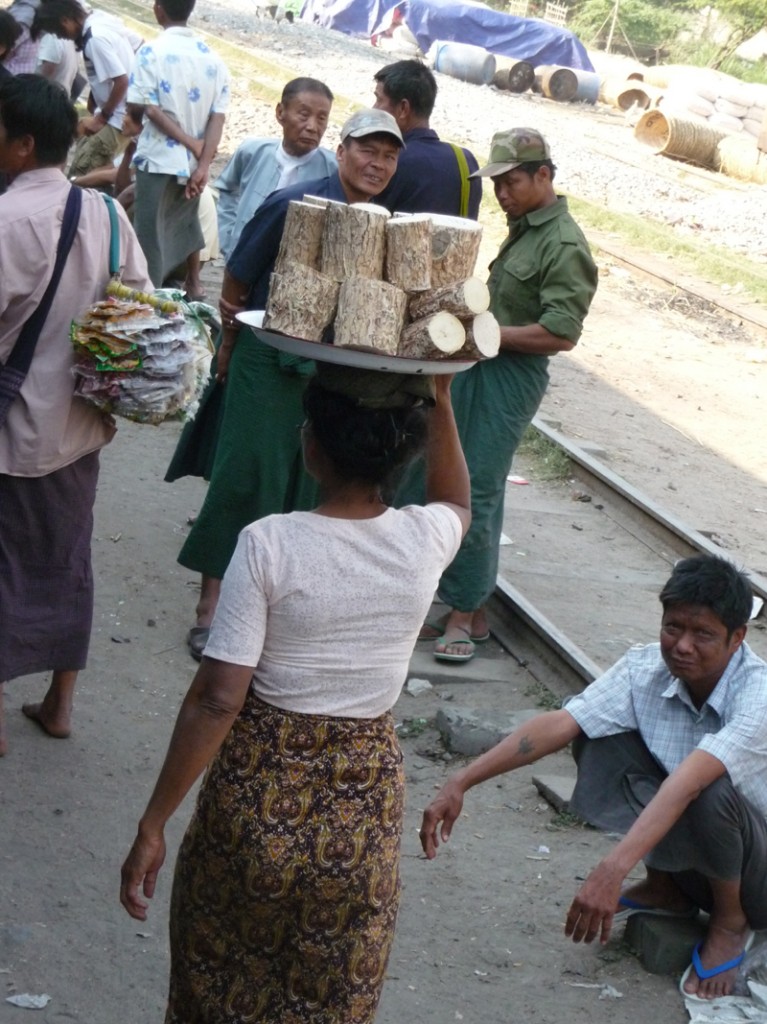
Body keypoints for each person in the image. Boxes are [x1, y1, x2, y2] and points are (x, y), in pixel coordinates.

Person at [120, 366, 471, 1023]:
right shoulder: (423, 540)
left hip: (257, 793)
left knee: (217, 976)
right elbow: (457, 502)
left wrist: (153, 822)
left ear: (311, 446)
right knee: (331, 992)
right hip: (363, 803)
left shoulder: (269, 544)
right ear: (404, 453)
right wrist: (442, 397)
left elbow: (218, 699)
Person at [420, 555, 767, 1002]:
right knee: (596, 737)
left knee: (707, 787)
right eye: (673, 627)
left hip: (758, 873)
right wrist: (461, 781)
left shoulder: (757, 695)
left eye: (703, 635)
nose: (682, 646)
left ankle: (728, 921)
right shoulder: (644, 668)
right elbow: (561, 724)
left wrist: (611, 869)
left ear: (737, 638)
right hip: (706, 849)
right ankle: (667, 888)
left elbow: (690, 783)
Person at [177, 108, 404, 661]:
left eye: (390, 155)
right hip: (267, 357)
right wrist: (229, 346)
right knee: (246, 477)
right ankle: (211, 608)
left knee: (307, 488)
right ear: (342, 150)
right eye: (368, 151)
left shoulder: (383, 222)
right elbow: (237, 275)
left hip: (330, 370)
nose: (378, 164)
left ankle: (273, 614)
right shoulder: (292, 203)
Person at [399, 127, 598, 662]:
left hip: (510, 376)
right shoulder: (525, 228)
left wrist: (486, 335)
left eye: (512, 182)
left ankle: (466, 614)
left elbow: (561, 332)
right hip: (480, 366)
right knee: (437, 473)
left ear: (544, 175)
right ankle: (460, 604)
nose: (502, 193)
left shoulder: (563, 243)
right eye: (497, 184)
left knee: (478, 487)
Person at [0, 74, 150, 756]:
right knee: (67, 560)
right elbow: (143, 308)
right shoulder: (105, 215)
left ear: (23, 144)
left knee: (7, 563)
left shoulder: (10, 221)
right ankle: (61, 701)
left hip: (18, 429)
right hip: (82, 427)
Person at [125, 0, 228, 300]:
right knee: (181, 227)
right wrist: (204, 163)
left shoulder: (150, 52)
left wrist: (190, 143)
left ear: (158, 9)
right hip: (193, 165)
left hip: (158, 159)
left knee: (150, 237)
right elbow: (217, 117)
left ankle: (146, 303)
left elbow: (151, 111)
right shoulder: (214, 59)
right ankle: (181, 291)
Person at [215, 76, 337, 260]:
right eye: (304, 115)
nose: (312, 127)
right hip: (241, 259)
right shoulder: (252, 151)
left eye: (321, 118)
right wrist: (229, 240)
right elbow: (227, 190)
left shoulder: (334, 170)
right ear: (281, 112)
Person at [32, 0, 137, 177]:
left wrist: (101, 118)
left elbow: (121, 81)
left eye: (58, 31)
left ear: (65, 20)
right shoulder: (100, 20)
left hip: (115, 120)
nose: (61, 37)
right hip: (117, 117)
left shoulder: (94, 39)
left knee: (81, 174)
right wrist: (94, 103)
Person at [372, 58, 481, 218]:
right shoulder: (466, 161)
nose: (374, 108)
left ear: (403, 109)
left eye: (379, 99)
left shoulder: (392, 162)